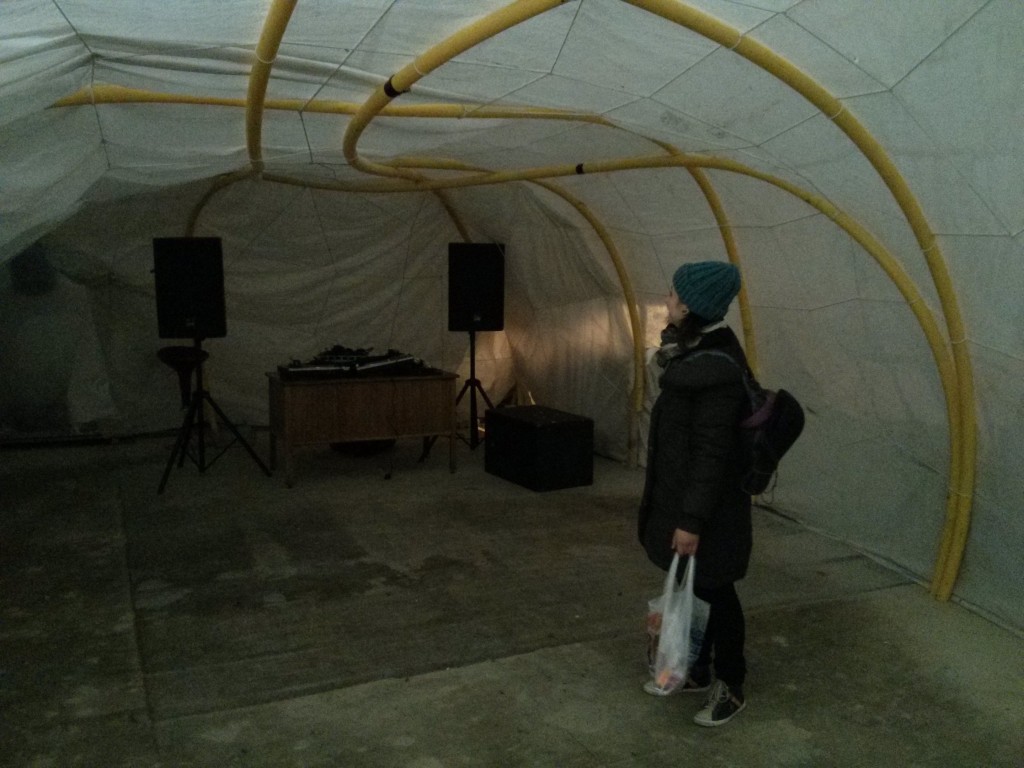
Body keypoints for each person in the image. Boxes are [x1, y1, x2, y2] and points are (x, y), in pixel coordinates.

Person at [638, 260, 752, 727]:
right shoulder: (691, 354)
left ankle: (732, 685)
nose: (667, 301)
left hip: (710, 511)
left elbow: (710, 456)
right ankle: (698, 669)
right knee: (698, 588)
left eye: (673, 295)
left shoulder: (715, 374)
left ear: (689, 307)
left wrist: (691, 522)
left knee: (716, 593)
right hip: (688, 501)